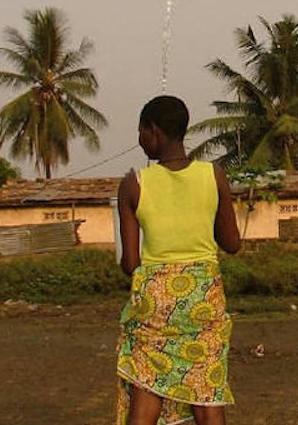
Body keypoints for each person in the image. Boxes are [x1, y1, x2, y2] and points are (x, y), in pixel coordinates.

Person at [115, 95, 241, 425]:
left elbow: (131, 263)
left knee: (147, 384)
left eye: (141, 131)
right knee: (206, 391)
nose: (139, 139)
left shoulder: (134, 184)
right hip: (203, 299)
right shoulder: (213, 176)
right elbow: (232, 244)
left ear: (154, 130)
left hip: (156, 302)